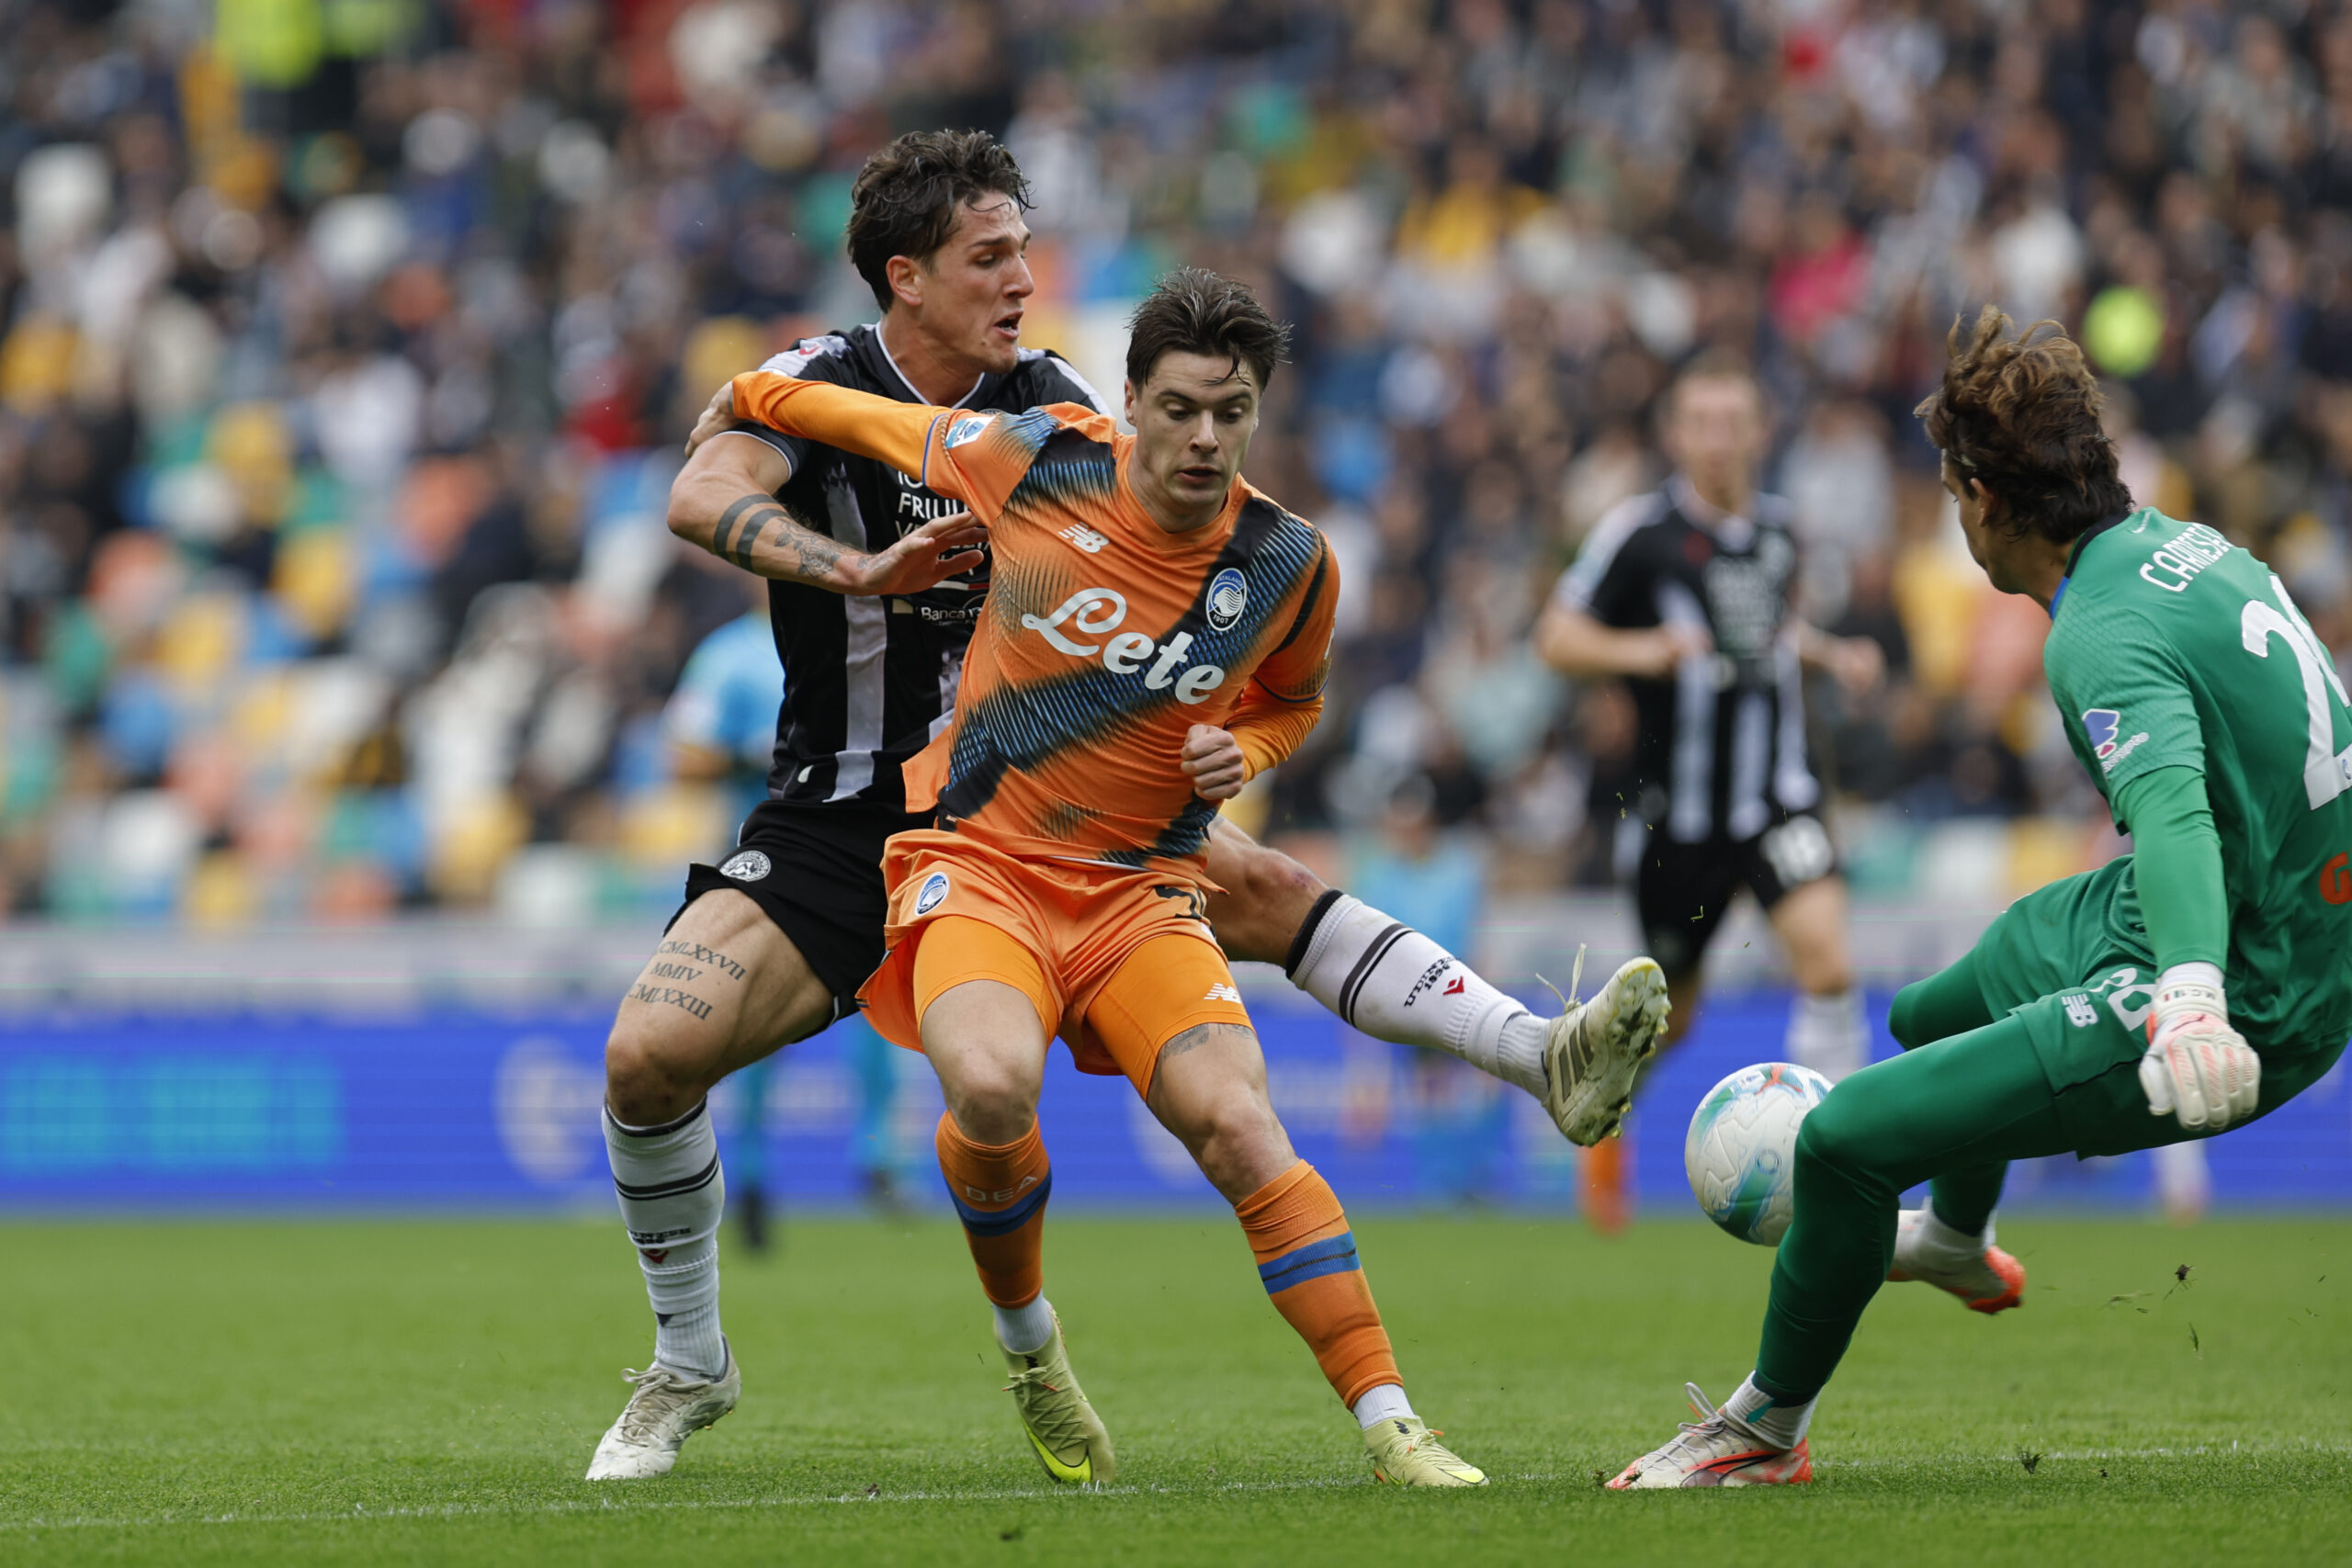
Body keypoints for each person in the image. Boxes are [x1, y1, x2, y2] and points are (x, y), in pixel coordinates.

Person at [588, 131, 1662, 1481]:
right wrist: (860, 569)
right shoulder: (818, 379)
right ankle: (692, 1359)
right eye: (992, 257)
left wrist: (1222, 731)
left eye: (1026, 252)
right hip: (844, 805)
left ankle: (1540, 1054)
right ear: (905, 277)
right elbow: (701, 488)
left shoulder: (1053, 404)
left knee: (1260, 888)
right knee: (644, 1058)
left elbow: (1171, 558)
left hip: (1038, 792)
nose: (1024, 281)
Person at [1609, 309, 2350, 1488]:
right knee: (1926, 1015)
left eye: (1951, 494)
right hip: (2265, 909)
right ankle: (1955, 1242)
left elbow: (2173, 817)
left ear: (1982, 498)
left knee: (1843, 1144)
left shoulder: (2098, 632)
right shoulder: (2183, 546)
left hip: (2252, 983)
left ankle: (1761, 1432)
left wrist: (2195, 996)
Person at [1534, 352, 1884, 1230]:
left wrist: (1830, 652)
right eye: (1703, 422)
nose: (1720, 440)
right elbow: (1556, 636)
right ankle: (1604, 1128)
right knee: (1670, 1023)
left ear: (1760, 433)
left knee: (1831, 963)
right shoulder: (1640, 533)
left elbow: (1760, 630)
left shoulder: (1779, 532)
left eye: (1736, 422)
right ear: (1675, 435)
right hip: (1679, 824)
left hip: (1777, 800)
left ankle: (1836, 1159)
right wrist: (1639, 651)